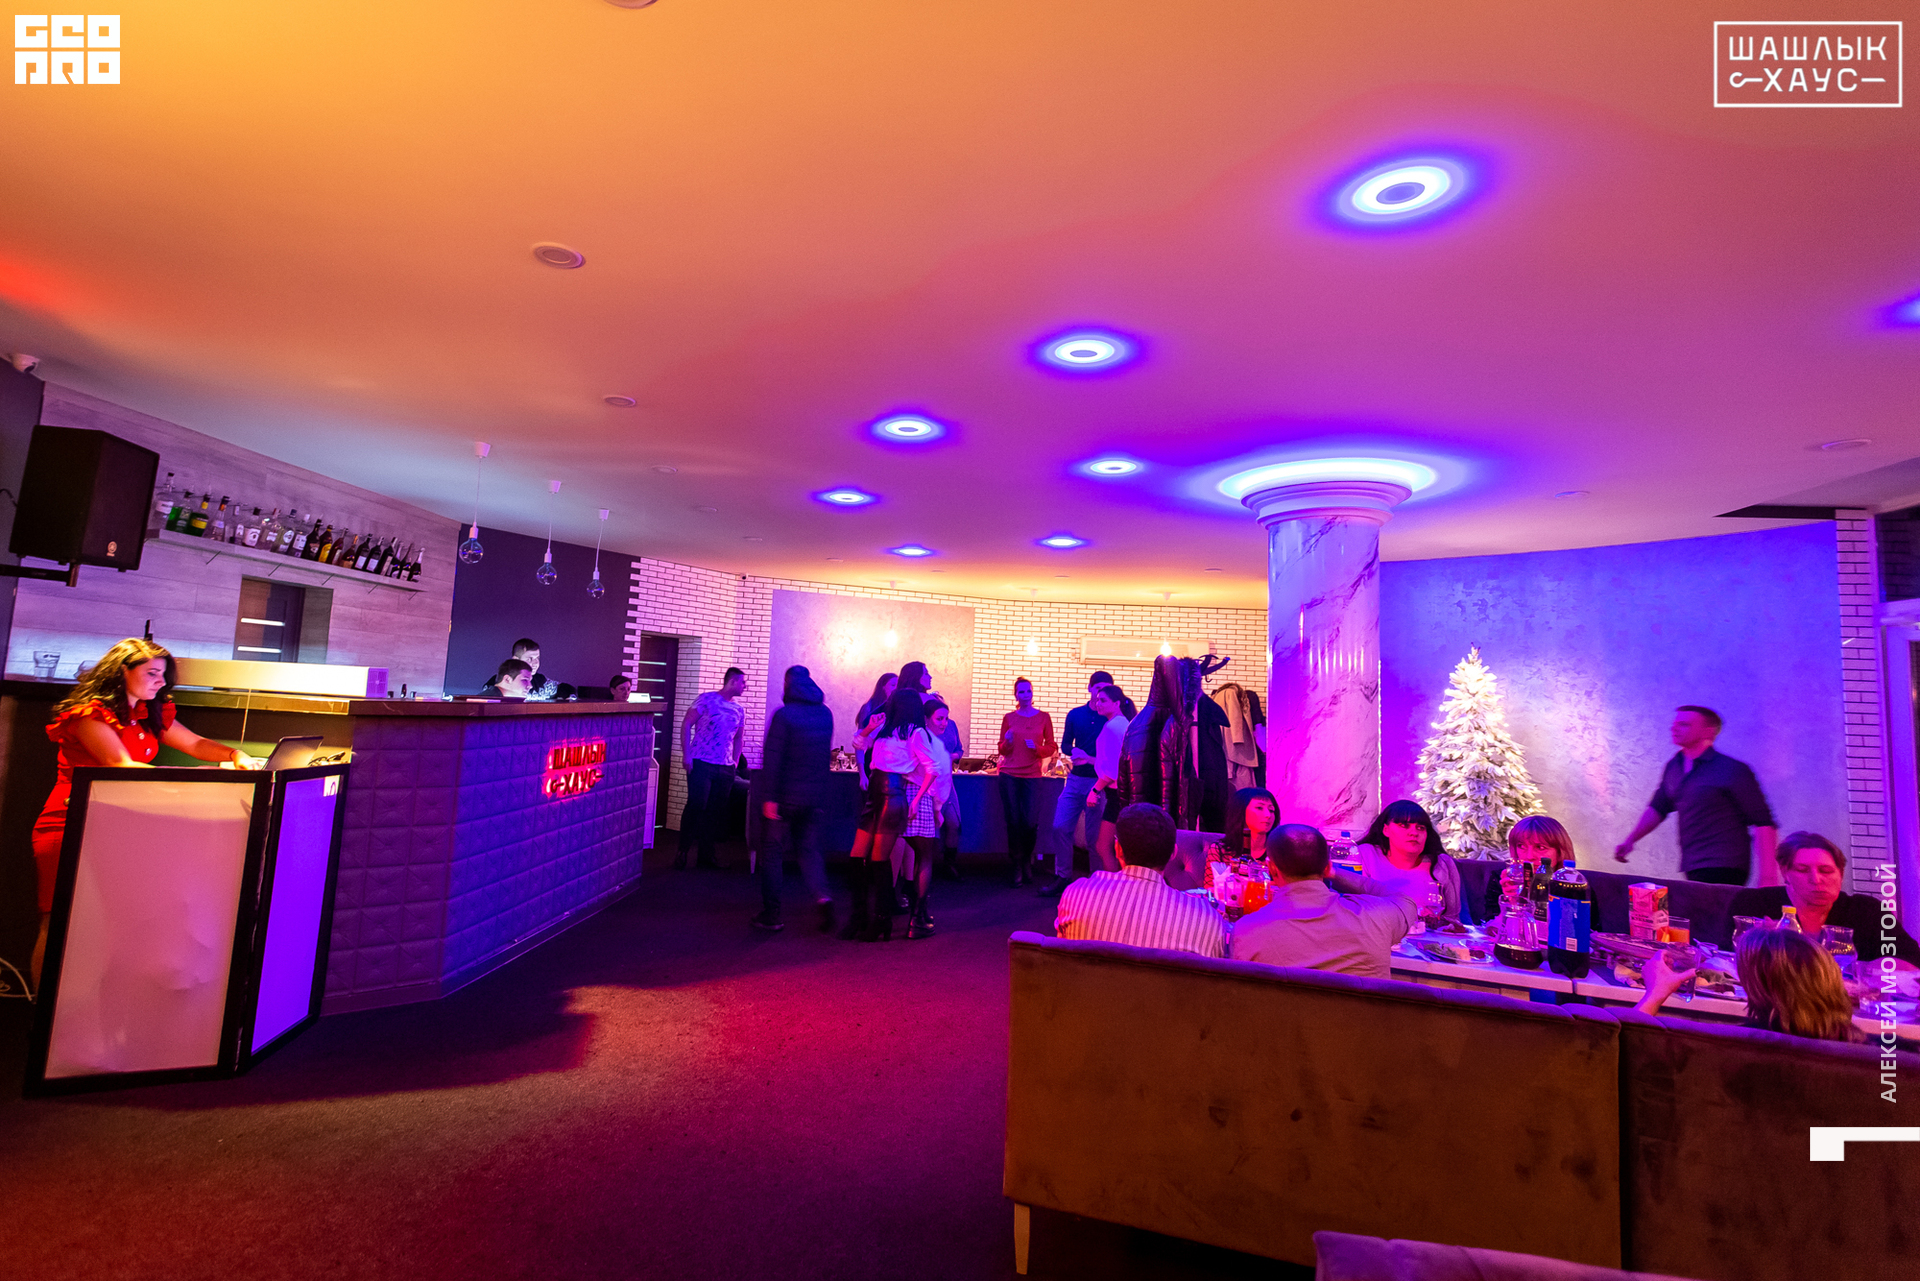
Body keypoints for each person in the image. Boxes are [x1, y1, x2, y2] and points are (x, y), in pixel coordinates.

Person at [29, 638, 260, 988]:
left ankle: (96, 1004)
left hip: (118, 825)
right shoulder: (89, 714)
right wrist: (200, 778)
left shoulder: (147, 712)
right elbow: (120, 766)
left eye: (163, 675)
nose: (160, 682)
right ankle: (43, 1006)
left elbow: (194, 743)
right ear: (122, 671)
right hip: (70, 823)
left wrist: (234, 755)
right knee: (58, 921)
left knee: (115, 921)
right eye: (152, 673)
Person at [1614, 705, 1778, 886]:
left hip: (1726, 865)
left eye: (1684, 724)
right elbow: (1658, 808)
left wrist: (1768, 877)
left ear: (1709, 731)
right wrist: (1631, 840)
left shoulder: (1731, 769)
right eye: (1675, 724)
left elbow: (1763, 822)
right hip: (1693, 864)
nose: (1674, 728)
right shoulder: (1674, 767)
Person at [1229, 825, 1420, 978]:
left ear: (1272, 869)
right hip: (1364, 1018)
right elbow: (1404, 900)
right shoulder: (1378, 917)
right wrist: (1335, 873)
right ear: (1327, 867)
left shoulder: (1246, 931)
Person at [1053, 803, 1227, 958]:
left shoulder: (1075, 895)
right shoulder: (1206, 920)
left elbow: (1061, 958)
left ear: (1118, 849)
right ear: (1173, 854)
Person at [1727, 832, 1919, 969]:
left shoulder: (1868, 911)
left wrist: (1865, 970)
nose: (1816, 879)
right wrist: (1759, 942)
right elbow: (1724, 959)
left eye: (1826, 871)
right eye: (1802, 870)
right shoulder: (1753, 904)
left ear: (1840, 874)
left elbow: (1911, 961)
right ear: (1786, 873)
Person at [1636, 928, 1865, 1043]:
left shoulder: (1729, 1048)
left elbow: (1631, 1051)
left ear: (1755, 987)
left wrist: (1654, 994)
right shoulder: (1878, 1060)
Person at [755, 665, 835, 934]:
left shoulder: (784, 715)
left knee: (773, 853)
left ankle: (772, 914)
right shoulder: (825, 714)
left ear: (788, 684)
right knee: (809, 851)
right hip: (813, 797)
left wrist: (769, 797)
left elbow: (773, 759)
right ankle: (824, 898)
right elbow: (823, 758)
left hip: (784, 797)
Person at [844, 688, 927, 940]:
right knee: (857, 856)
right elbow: (858, 743)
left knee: (879, 859)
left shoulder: (916, 732)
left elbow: (931, 767)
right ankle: (859, 915)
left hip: (893, 794)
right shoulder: (885, 728)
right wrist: (868, 728)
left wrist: (917, 798)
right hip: (875, 794)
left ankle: (882, 919)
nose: (887, 704)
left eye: (892, 702)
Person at [1039, 670, 1114, 897]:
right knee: (1060, 826)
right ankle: (1063, 876)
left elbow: (1114, 756)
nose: (1100, 693)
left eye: (1105, 689)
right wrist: (1075, 752)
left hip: (1100, 782)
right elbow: (1065, 745)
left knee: (1094, 837)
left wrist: (1089, 758)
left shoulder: (1111, 718)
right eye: (1097, 688)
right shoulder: (1076, 714)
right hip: (1075, 779)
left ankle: (1097, 883)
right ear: (1090, 688)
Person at [676, 666, 747, 870]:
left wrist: (735, 762)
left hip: (725, 766)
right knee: (697, 805)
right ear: (732, 681)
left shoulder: (739, 710)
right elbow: (686, 724)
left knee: (715, 812)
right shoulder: (706, 700)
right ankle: (682, 851)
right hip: (701, 761)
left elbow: (739, 737)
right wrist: (687, 754)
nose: (745, 686)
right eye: (743, 682)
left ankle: (706, 855)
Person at [1355, 799, 1470, 923]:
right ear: (1386, 830)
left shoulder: (1441, 864)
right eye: (1404, 826)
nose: (1414, 833)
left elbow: (1452, 919)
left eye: (1420, 828)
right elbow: (1354, 909)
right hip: (1376, 932)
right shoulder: (1366, 855)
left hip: (1428, 934)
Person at [901, 697, 958, 939]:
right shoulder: (927, 739)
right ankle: (917, 919)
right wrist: (937, 809)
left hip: (906, 795)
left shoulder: (912, 735)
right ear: (926, 718)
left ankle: (919, 914)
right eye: (940, 718)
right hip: (921, 798)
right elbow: (938, 777)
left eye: (946, 719)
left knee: (914, 858)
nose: (944, 723)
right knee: (925, 859)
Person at [998, 677, 1057, 886]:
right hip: (1010, 774)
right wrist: (1008, 742)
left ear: (1033, 693)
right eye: (1021, 692)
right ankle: (1016, 864)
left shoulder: (1044, 717)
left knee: (1030, 822)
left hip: (1032, 775)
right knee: (1013, 821)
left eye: (1028, 691)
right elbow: (1002, 749)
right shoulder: (1009, 718)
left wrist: (1038, 749)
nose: (1025, 695)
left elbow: (1052, 747)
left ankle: (1026, 860)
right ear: (1015, 695)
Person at [1087, 682, 1132, 874]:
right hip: (1120, 792)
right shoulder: (1121, 724)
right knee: (1116, 847)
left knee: (1104, 846)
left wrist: (1095, 790)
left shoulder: (1114, 727)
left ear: (1117, 703)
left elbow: (1113, 769)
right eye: (1097, 700)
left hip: (1116, 794)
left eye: (1103, 700)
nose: (1098, 704)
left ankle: (1115, 885)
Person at [928, 687, 967, 880]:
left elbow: (959, 749)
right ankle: (926, 868)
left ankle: (949, 864)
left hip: (947, 780)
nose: (943, 721)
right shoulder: (922, 729)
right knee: (930, 827)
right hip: (928, 781)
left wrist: (952, 756)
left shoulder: (951, 725)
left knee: (953, 822)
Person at [1214, 787, 1280, 861]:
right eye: (1259, 808)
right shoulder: (1220, 850)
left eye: (1271, 810)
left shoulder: (1280, 851)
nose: (1268, 815)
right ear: (1240, 811)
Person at [510, 637, 559, 702]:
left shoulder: (541, 680)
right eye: (529, 659)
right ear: (516, 660)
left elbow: (562, 688)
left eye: (537, 658)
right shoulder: (504, 681)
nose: (535, 663)